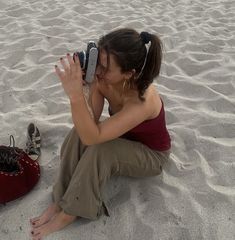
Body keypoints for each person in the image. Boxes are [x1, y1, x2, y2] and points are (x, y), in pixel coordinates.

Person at [30, 28, 171, 239]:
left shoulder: (142, 99)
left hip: (152, 155)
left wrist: (75, 97)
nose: (98, 71)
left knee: (102, 151)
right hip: (125, 138)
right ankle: (60, 199)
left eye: (105, 68)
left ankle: (71, 211)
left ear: (129, 73)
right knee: (76, 135)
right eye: (98, 62)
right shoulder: (103, 79)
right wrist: (85, 90)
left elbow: (93, 138)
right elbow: (89, 122)